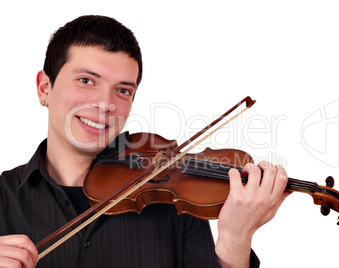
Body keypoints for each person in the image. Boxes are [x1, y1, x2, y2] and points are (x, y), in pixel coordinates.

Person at [0, 15, 290, 268]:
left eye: (123, 90)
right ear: (44, 88)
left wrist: (235, 240)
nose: (105, 104)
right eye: (87, 80)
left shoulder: (177, 201)